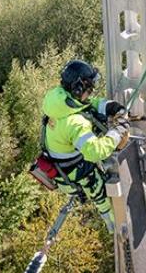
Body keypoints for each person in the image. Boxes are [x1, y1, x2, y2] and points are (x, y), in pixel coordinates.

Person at [41, 59, 130, 232]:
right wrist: (117, 131)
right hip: (76, 172)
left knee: (93, 116)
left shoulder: (58, 100)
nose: (90, 92)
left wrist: (110, 107)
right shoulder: (75, 124)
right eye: (89, 88)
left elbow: (87, 105)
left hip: (60, 164)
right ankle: (114, 225)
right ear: (79, 89)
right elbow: (96, 152)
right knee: (101, 194)